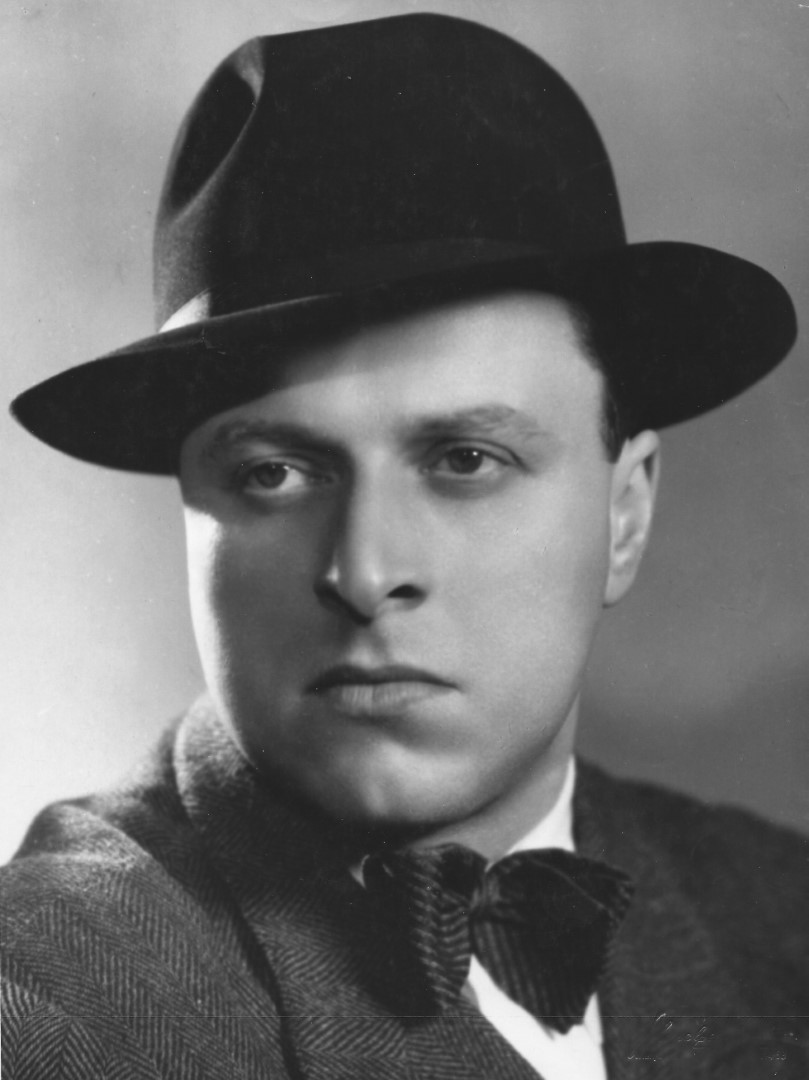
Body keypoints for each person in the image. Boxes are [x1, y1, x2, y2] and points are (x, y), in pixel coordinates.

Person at [2, 13, 807, 1079]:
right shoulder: (49, 1007)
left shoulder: (778, 914)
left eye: (465, 460)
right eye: (273, 474)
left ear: (623, 517)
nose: (365, 573)